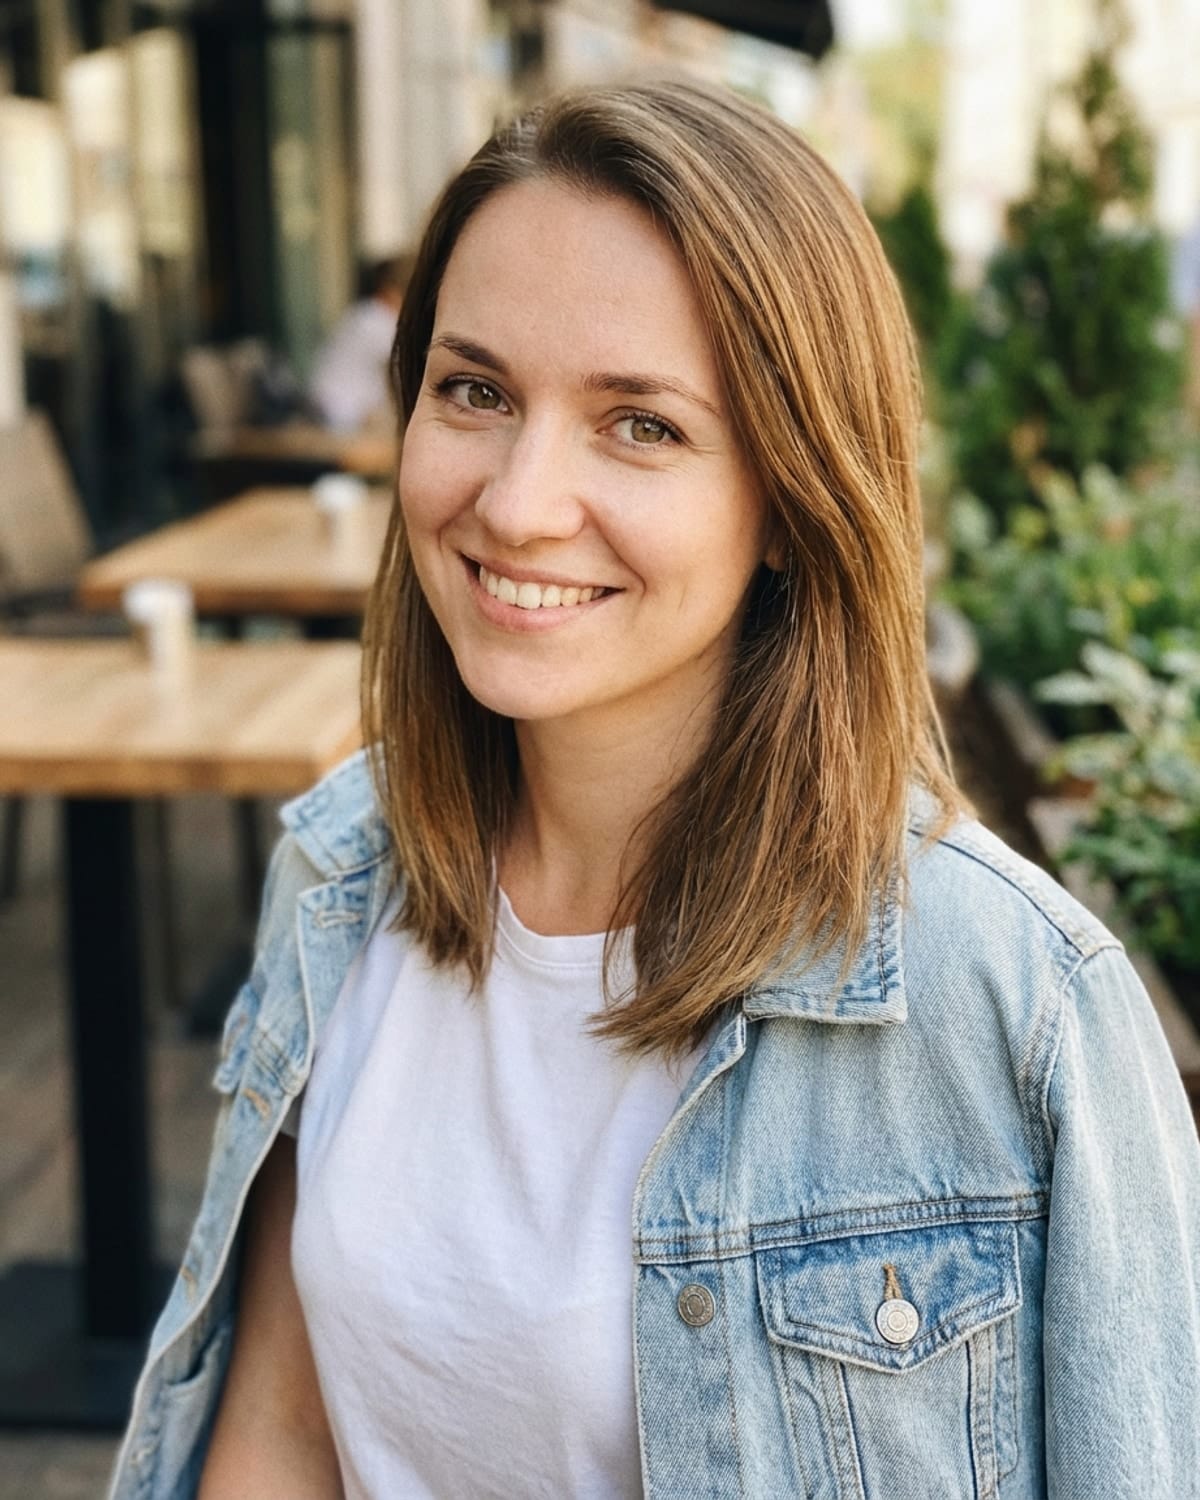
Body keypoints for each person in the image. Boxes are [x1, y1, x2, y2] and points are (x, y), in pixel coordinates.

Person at [110, 78, 1200, 1500]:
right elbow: (285, 1433)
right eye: (476, 390)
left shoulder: (1014, 1005)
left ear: (793, 502)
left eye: (642, 425)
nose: (514, 499)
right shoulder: (345, 869)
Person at [307, 254, 412, 433]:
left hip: (332, 409)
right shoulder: (377, 320)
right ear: (392, 292)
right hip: (341, 414)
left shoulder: (363, 313)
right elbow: (406, 370)